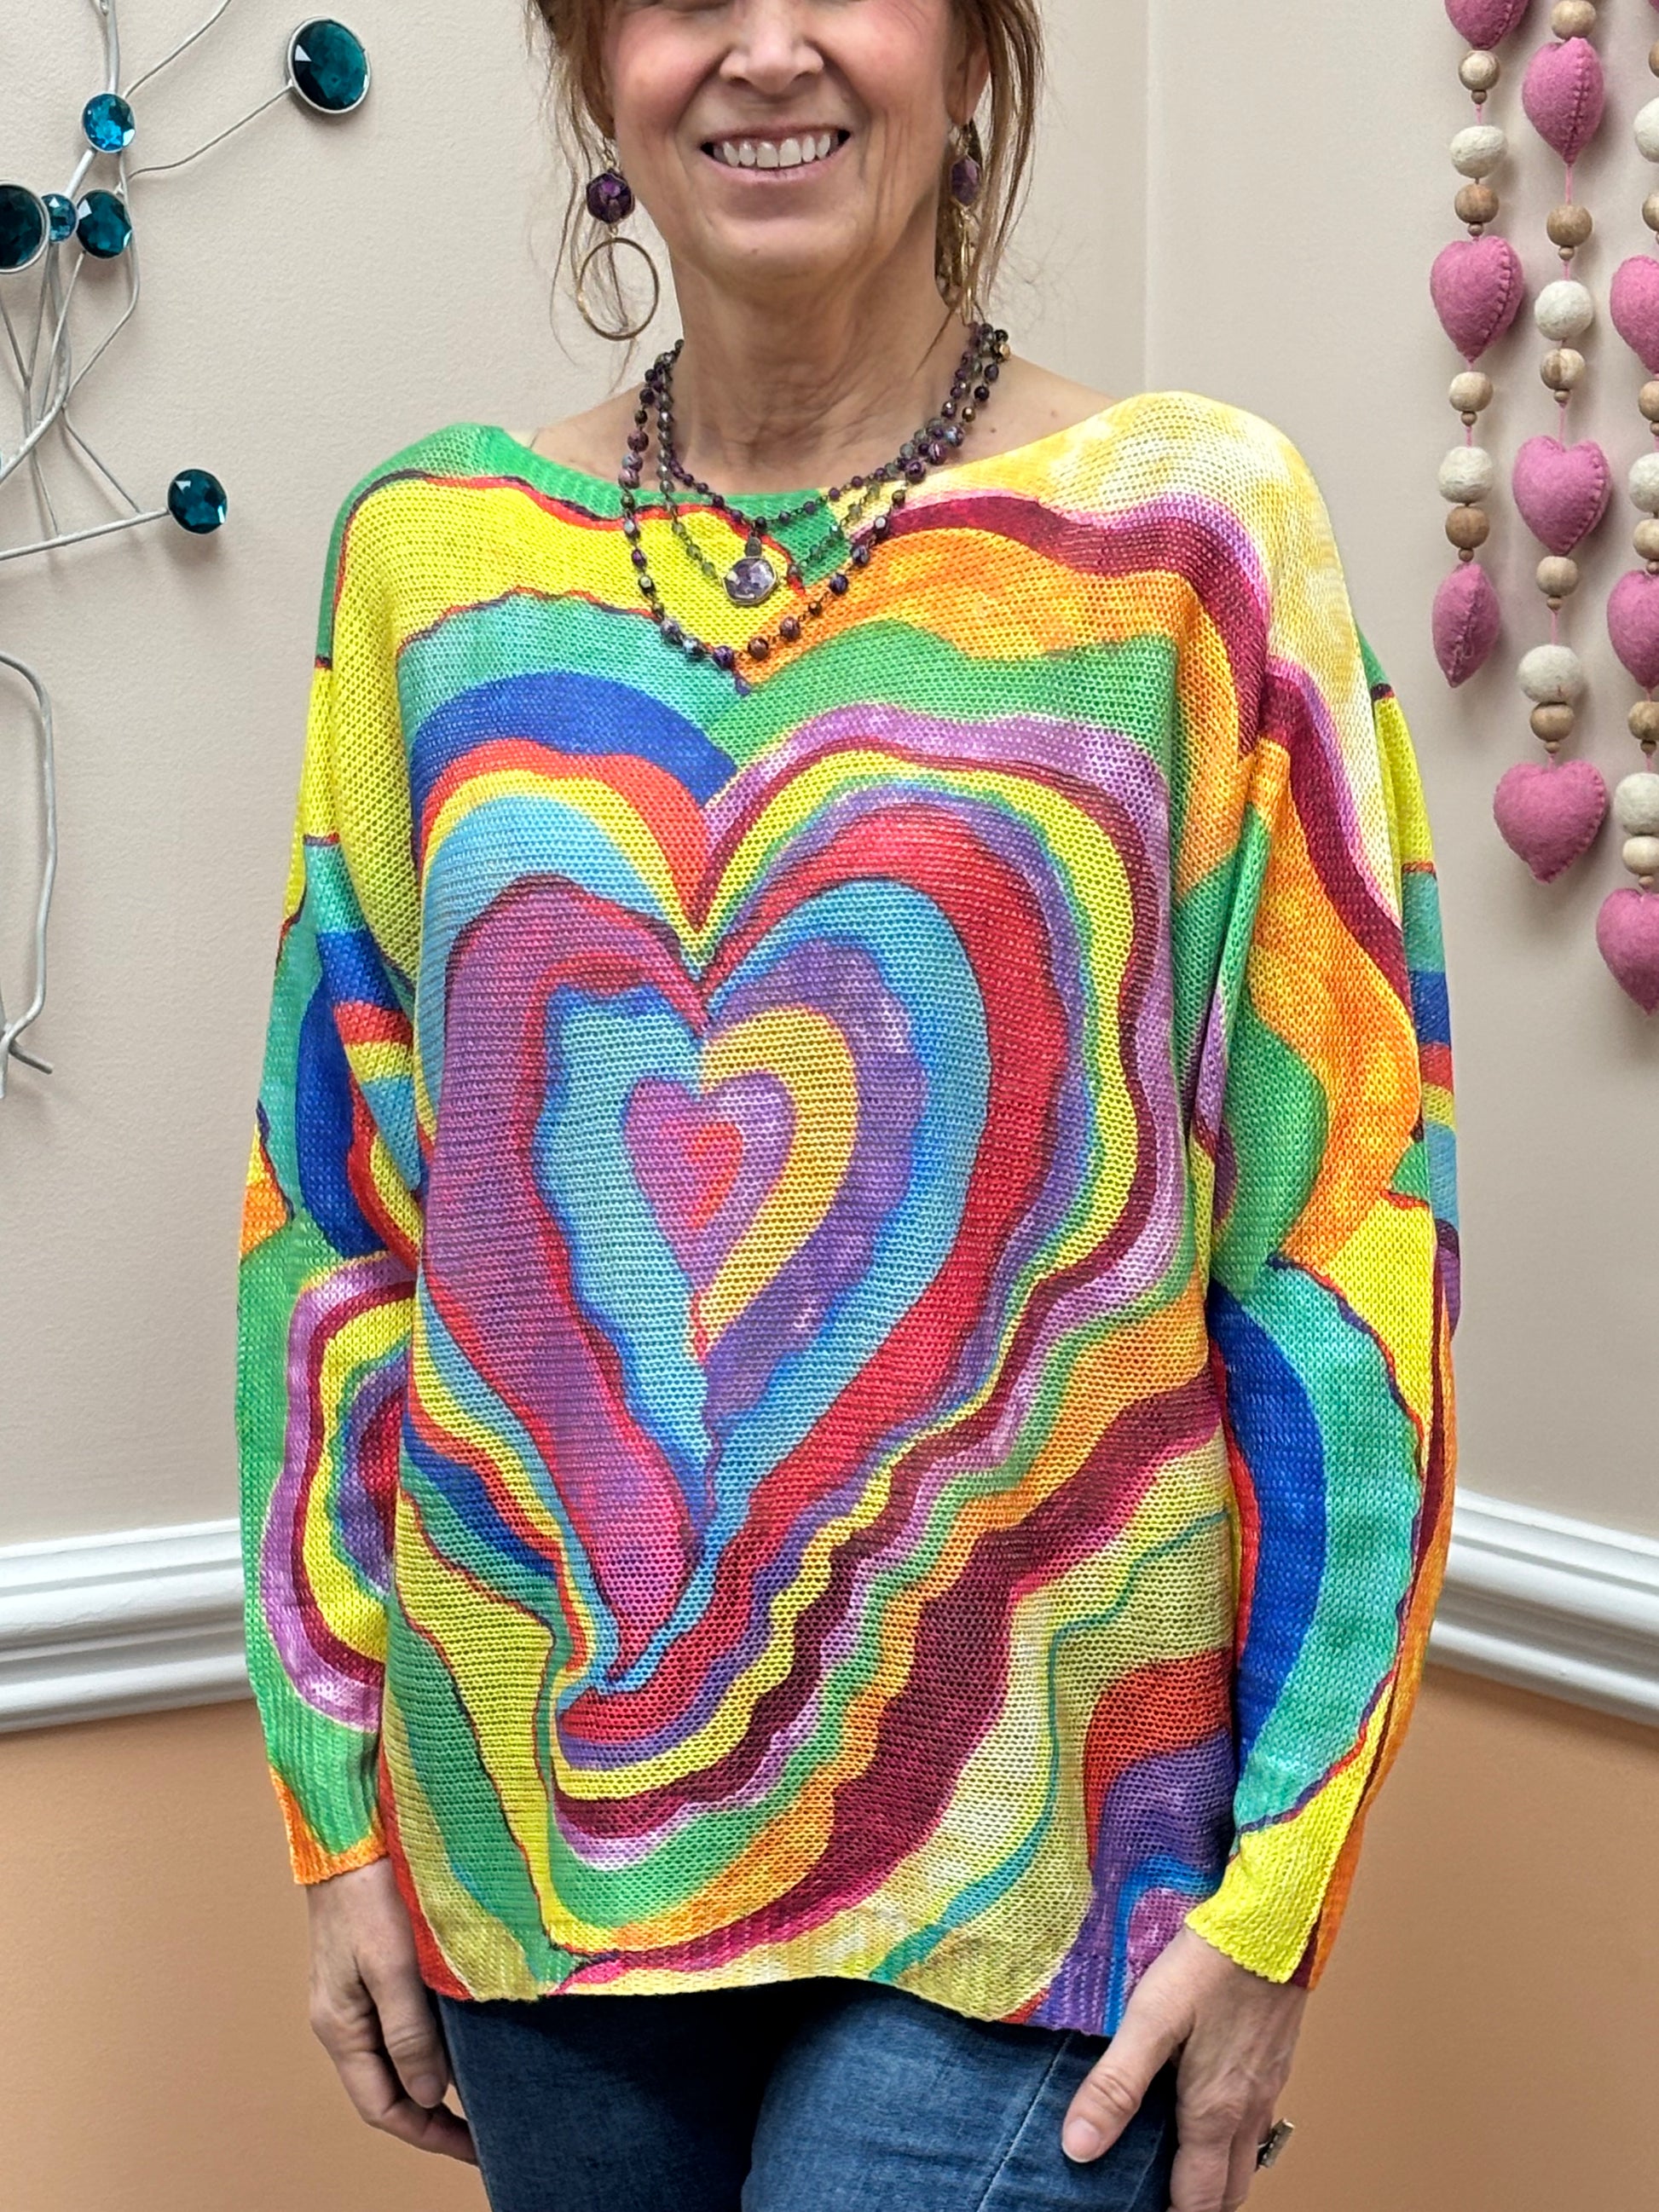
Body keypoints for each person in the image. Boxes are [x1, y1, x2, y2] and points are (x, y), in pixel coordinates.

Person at [234, 3, 1460, 2208]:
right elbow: (341, 1223)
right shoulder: (431, 560)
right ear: (592, 63)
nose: (768, 48)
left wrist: (1283, 1877)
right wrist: (334, 1807)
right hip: (535, 1848)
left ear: (976, 49)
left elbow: (1344, 1228)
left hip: (1044, 1857)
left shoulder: (1186, 538)